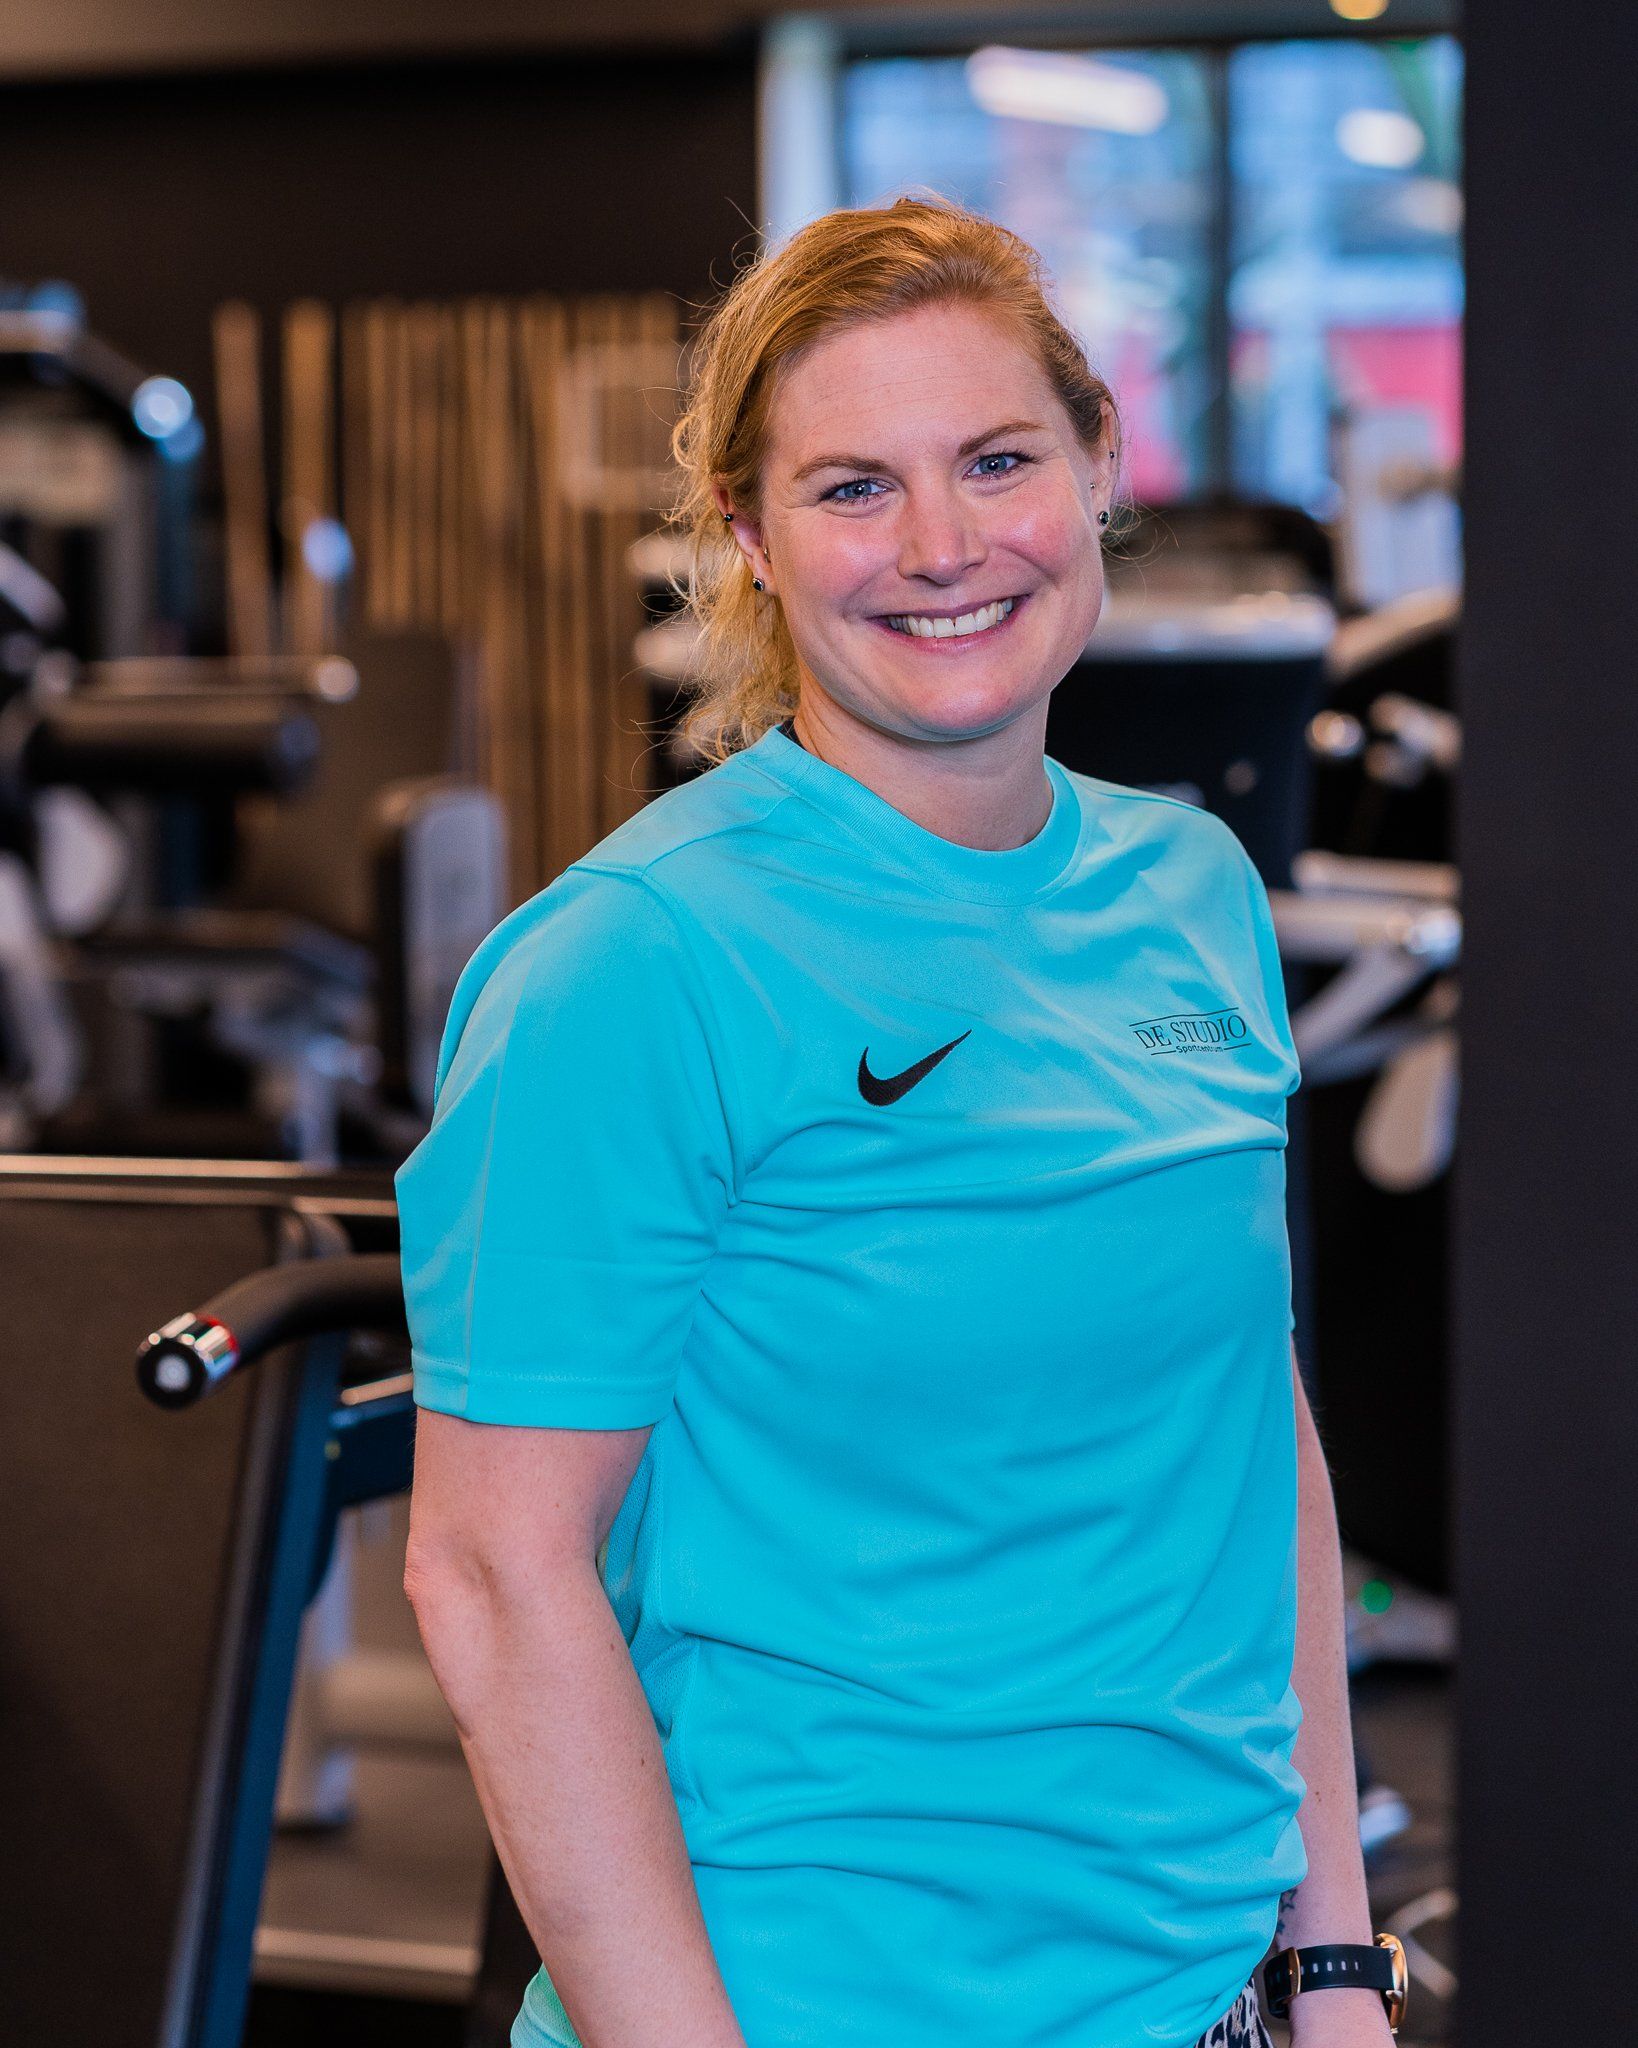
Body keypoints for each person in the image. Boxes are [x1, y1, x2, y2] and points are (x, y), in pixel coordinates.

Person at [397, 197, 1395, 2048]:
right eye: (852, 487)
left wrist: (1331, 1962)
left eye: (998, 460)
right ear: (747, 541)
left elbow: (1249, 1434)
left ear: (1099, 465)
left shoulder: (1191, 890)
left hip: (1205, 1991)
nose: (943, 548)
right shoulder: (631, 961)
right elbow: (487, 1573)